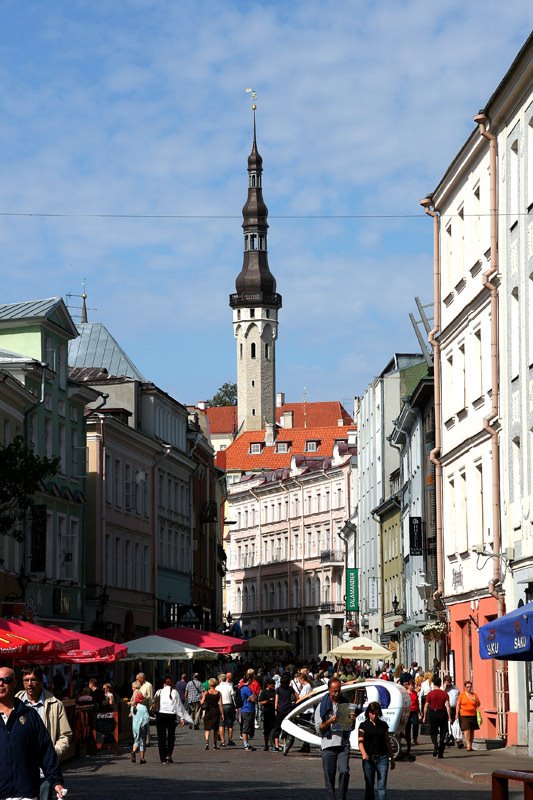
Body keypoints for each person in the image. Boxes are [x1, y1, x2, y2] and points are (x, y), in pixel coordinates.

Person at [0, 666, 65, 800]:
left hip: (26, 792)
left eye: (6, 680)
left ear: (14, 684)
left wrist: (56, 781)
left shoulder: (30, 715)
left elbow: (45, 750)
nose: (1, 683)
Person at [17, 664, 73, 800]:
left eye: (33, 680)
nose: (29, 684)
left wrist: (53, 753)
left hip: (45, 771)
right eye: (26, 680)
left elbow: (65, 735)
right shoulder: (15, 703)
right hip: (21, 769)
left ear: (41, 681)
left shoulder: (55, 704)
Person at [315, 678, 356, 800]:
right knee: (329, 775)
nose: (337, 694)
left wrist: (351, 720)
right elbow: (319, 728)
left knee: (344, 771)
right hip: (328, 744)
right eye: (334, 691)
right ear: (329, 690)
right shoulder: (322, 706)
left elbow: (350, 727)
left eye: (338, 691)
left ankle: (342, 796)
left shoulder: (344, 704)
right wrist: (329, 722)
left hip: (343, 744)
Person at [358, 701, 395, 800]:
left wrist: (392, 757)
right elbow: (360, 742)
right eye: (371, 712)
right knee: (369, 786)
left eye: (375, 712)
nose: (373, 715)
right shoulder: (363, 725)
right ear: (368, 712)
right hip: (368, 758)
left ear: (378, 712)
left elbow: (387, 741)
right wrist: (364, 753)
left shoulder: (383, 725)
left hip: (382, 757)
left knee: (381, 786)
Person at [153, 675, 192, 763]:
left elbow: (154, 704)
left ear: (163, 684)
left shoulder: (158, 692)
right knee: (171, 736)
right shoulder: (174, 692)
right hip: (171, 715)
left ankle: (162, 758)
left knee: (161, 737)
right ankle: (168, 755)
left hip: (160, 715)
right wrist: (181, 718)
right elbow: (178, 706)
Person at [422, 676, 450, 758]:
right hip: (442, 713)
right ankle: (441, 753)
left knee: (433, 731)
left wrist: (424, 717)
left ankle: (435, 745)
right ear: (440, 683)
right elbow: (447, 706)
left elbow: (426, 706)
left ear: (433, 684)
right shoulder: (444, 694)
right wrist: (449, 717)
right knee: (443, 732)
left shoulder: (430, 694)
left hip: (433, 713)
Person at [272, 673, 297, 752]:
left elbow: (276, 701)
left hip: (280, 710)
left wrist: (275, 710)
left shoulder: (278, 690)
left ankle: (276, 746)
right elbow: (297, 696)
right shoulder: (290, 689)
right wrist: (294, 702)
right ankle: (285, 744)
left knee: (277, 727)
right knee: (287, 728)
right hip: (288, 710)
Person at [456, 679, 480, 751]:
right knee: (467, 730)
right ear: (465, 687)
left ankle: (471, 744)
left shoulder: (474, 695)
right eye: (467, 687)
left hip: (473, 714)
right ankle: (468, 744)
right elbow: (458, 704)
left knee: (472, 730)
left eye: (470, 687)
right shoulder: (462, 695)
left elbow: (478, 704)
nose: (469, 688)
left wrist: (475, 700)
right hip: (464, 714)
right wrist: (457, 714)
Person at [201, 677, 224, 750]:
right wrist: (222, 714)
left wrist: (202, 697)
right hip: (215, 711)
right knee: (215, 729)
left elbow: (201, 702)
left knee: (207, 728)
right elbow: (220, 704)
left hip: (208, 711)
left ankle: (207, 742)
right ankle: (215, 745)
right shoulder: (218, 693)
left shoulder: (206, 693)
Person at [130, 690, 150, 764]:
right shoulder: (143, 707)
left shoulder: (132, 708)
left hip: (134, 727)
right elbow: (147, 718)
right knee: (142, 742)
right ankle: (142, 758)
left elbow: (132, 715)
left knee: (136, 740)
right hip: (141, 727)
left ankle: (133, 751)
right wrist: (144, 723)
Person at [217, 673, 236, 747]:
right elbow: (233, 696)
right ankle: (230, 740)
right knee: (230, 724)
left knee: (221, 724)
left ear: (220, 679)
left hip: (220, 705)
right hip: (229, 705)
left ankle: (223, 741)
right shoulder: (229, 686)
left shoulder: (217, 687)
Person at [239, 674, 257, 751]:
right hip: (247, 709)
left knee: (247, 727)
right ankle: (245, 745)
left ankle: (247, 744)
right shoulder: (246, 689)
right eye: (252, 680)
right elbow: (253, 699)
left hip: (245, 709)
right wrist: (254, 695)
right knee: (246, 728)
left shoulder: (242, 688)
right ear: (249, 680)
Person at [258, 677, 276, 751]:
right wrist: (268, 701)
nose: (273, 686)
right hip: (266, 712)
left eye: (273, 685)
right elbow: (260, 702)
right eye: (271, 685)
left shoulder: (274, 691)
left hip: (273, 712)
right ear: (268, 685)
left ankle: (273, 744)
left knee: (274, 729)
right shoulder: (264, 692)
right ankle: (266, 745)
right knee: (266, 729)